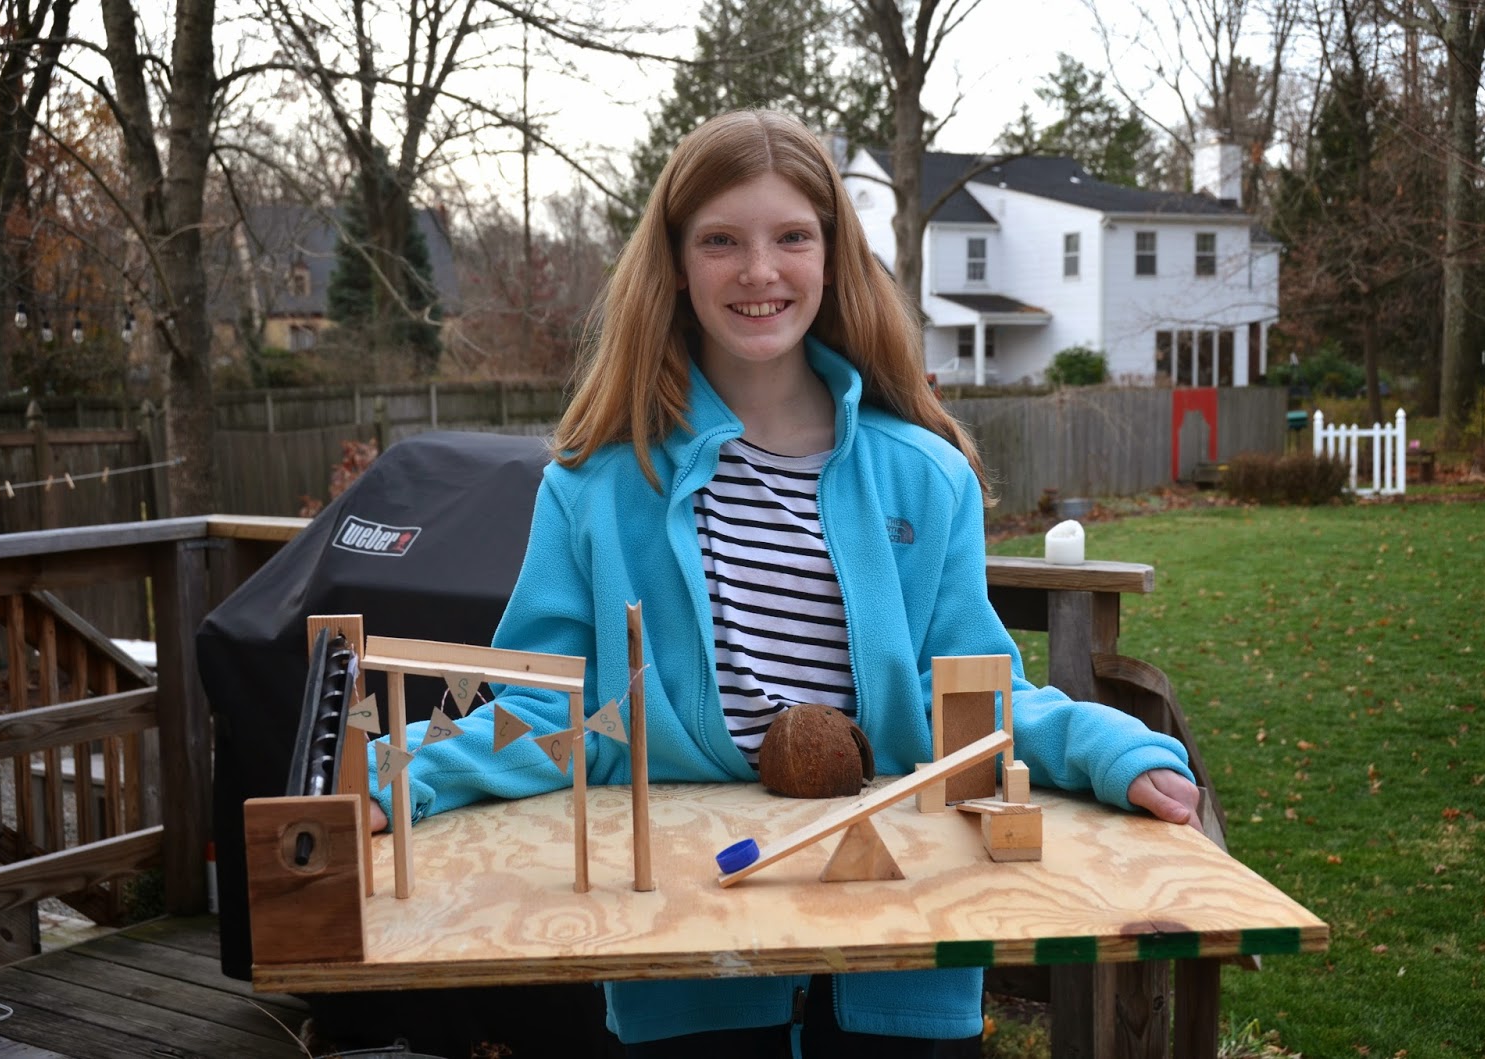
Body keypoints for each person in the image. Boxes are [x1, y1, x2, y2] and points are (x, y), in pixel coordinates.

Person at [367, 108, 1199, 1058]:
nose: (759, 271)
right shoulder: (595, 487)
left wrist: (1107, 748)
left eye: (792, 237)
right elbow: (545, 709)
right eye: (721, 240)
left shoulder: (926, 477)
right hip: (688, 960)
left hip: (903, 950)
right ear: (676, 265)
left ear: (834, 258)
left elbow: (977, 701)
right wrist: (394, 775)